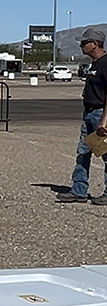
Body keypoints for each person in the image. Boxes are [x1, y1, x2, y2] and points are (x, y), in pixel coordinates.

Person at [59, 28, 107, 204]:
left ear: (95, 44)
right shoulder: (94, 64)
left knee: (106, 154)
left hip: (101, 114)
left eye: (84, 43)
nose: (81, 46)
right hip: (89, 113)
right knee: (82, 152)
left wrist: (104, 121)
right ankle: (79, 190)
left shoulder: (106, 63)